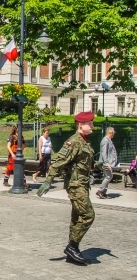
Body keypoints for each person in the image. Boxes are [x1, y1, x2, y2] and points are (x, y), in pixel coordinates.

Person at [37, 111, 96, 265]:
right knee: (88, 215)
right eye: (89, 123)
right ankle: (72, 246)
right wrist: (48, 181)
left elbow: (84, 162)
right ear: (80, 125)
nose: (92, 126)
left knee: (77, 218)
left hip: (83, 184)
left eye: (91, 123)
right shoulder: (74, 142)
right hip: (76, 185)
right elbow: (59, 162)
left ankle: (73, 251)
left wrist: (98, 166)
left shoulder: (85, 141)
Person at [96, 127, 117, 199]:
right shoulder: (105, 140)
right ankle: (100, 191)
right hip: (105, 163)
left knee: (106, 177)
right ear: (111, 132)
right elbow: (104, 154)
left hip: (108, 163)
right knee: (109, 176)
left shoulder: (109, 140)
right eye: (113, 132)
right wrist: (107, 164)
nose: (114, 134)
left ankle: (103, 193)